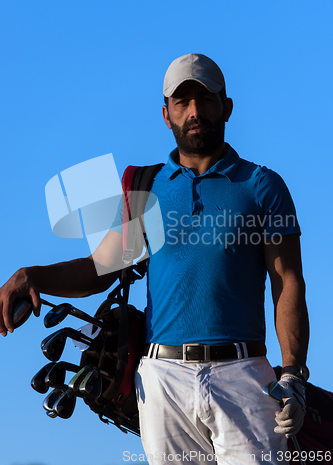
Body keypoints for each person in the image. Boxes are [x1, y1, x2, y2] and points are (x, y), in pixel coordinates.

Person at [0, 54, 309, 465]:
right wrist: (32, 275)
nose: (194, 111)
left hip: (244, 375)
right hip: (163, 380)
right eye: (182, 103)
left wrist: (292, 375)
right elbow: (101, 267)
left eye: (205, 99)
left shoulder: (262, 186)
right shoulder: (147, 189)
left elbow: (287, 282)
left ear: (227, 107)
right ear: (166, 115)